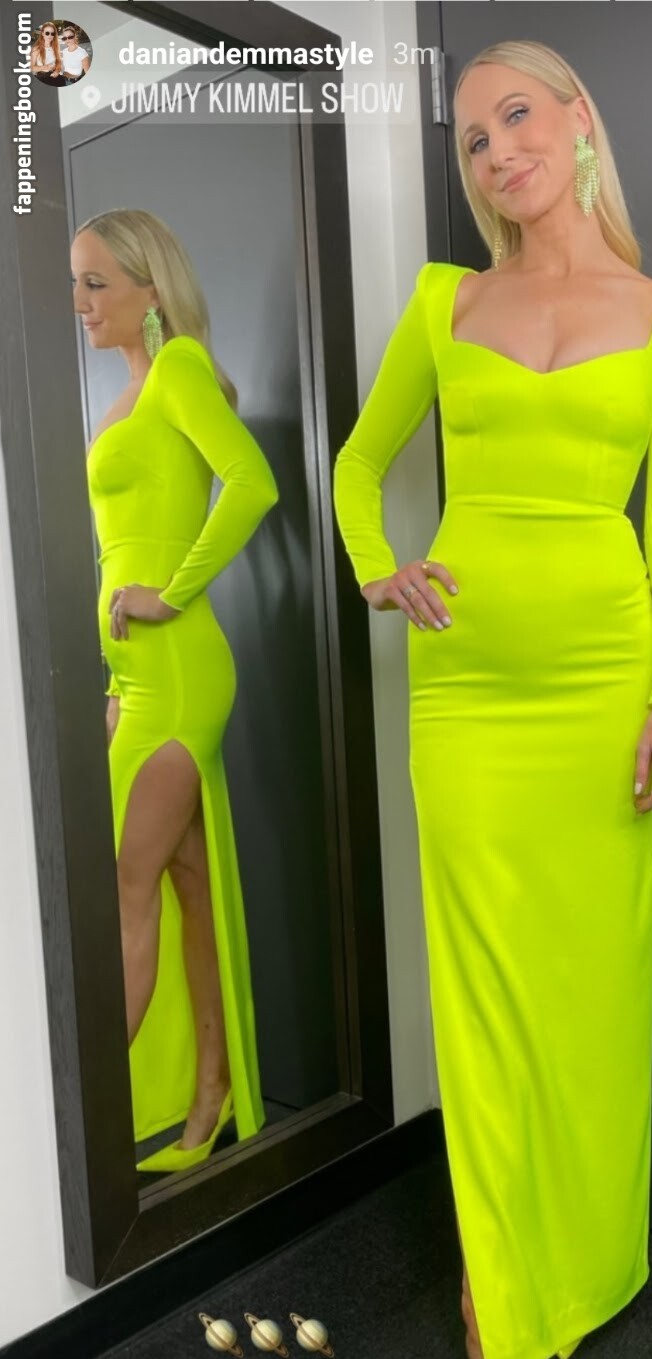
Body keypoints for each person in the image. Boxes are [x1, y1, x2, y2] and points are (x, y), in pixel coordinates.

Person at [332, 38, 652, 1359]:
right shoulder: (447, 301)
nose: (496, 153)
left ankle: (582, 1264)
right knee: (483, 998)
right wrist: (376, 565)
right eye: (471, 140)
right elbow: (358, 466)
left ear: (577, 121)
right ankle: (497, 1323)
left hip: (603, 686)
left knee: (589, 991)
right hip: (469, 692)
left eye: (514, 118)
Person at [71, 209, 279, 1173]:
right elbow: (120, 549)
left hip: (184, 671)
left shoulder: (181, 370)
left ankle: (86, 1136)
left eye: (98, 282)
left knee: (122, 884)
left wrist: (175, 592)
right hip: (141, 678)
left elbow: (252, 481)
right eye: (76, 284)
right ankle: (209, 1094)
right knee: (185, 883)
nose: (82, 302)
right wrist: (115, 679)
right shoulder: (127, 396)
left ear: (151, 289)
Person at [29, 22, 65, 86]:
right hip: (43, 78)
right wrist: (45, 67)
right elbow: (32, 67)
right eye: (47, 33)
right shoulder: (36, 49)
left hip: (56, 76)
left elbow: (58, 62)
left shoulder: (56, 47)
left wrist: (57, 71)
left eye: (52, 33)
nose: (50, 36)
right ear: (42, 33)